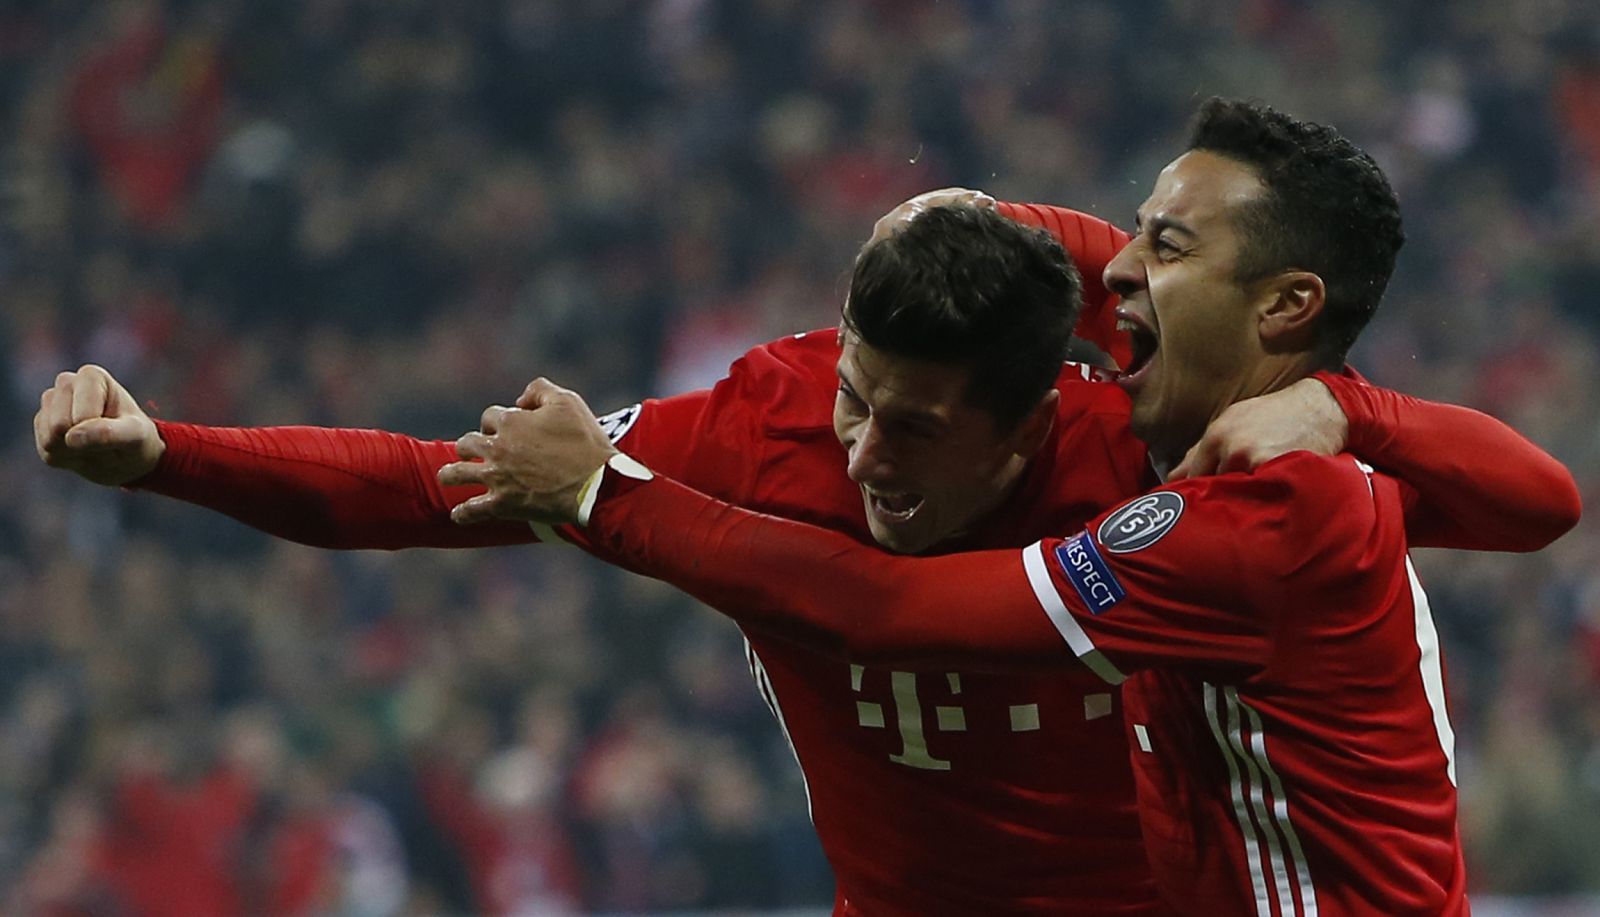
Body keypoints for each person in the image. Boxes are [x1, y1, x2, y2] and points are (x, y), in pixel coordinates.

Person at [35, 118, 1578, 914]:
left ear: (1038, 412)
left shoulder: (1163, 447)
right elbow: (426, 489)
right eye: (857, 399)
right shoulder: (764, 421)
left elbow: (1535, 500)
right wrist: (173, 451)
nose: (868, 451)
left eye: (915, 426)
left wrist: (1352, 403)